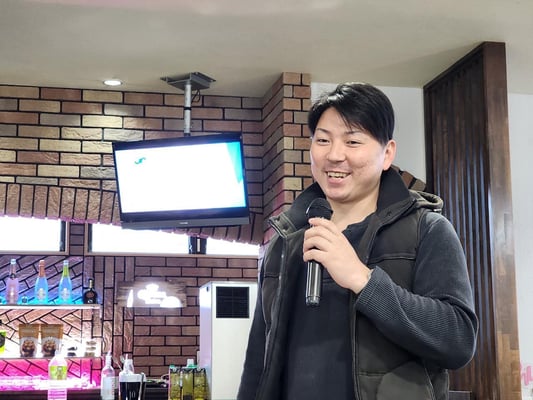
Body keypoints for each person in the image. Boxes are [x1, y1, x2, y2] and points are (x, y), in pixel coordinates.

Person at [237, 82, 478, 400]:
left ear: (387, 153)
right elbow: (259, 359)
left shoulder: (427, 230)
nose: (334, 155)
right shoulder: (286, 239)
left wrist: (363, 280)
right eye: (323, 140)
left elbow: (458, 340)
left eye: (352, 141)